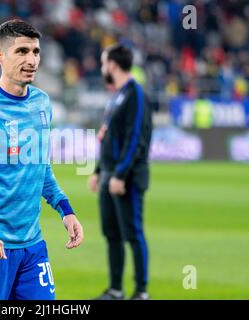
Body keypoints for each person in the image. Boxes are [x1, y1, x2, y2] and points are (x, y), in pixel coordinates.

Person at [0, 19, 84, 300]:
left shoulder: (42, 103)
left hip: (32, 247)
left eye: (35, 52)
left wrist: (65, 209)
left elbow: (40, 166)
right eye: (22, 51)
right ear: (0, 56)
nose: (31, 60)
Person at [89, 45, 152, 300]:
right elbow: (107, 136)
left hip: (127, 179)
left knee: (133, 234)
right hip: (108, 176)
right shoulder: (117, 96)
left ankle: (141, 291)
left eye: (104, 63)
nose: (102, 68)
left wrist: (119, 175)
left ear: (113, 64)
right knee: (112, 234)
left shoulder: (135, 94)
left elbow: (135, 139)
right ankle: (115, 290)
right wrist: (97, 171)